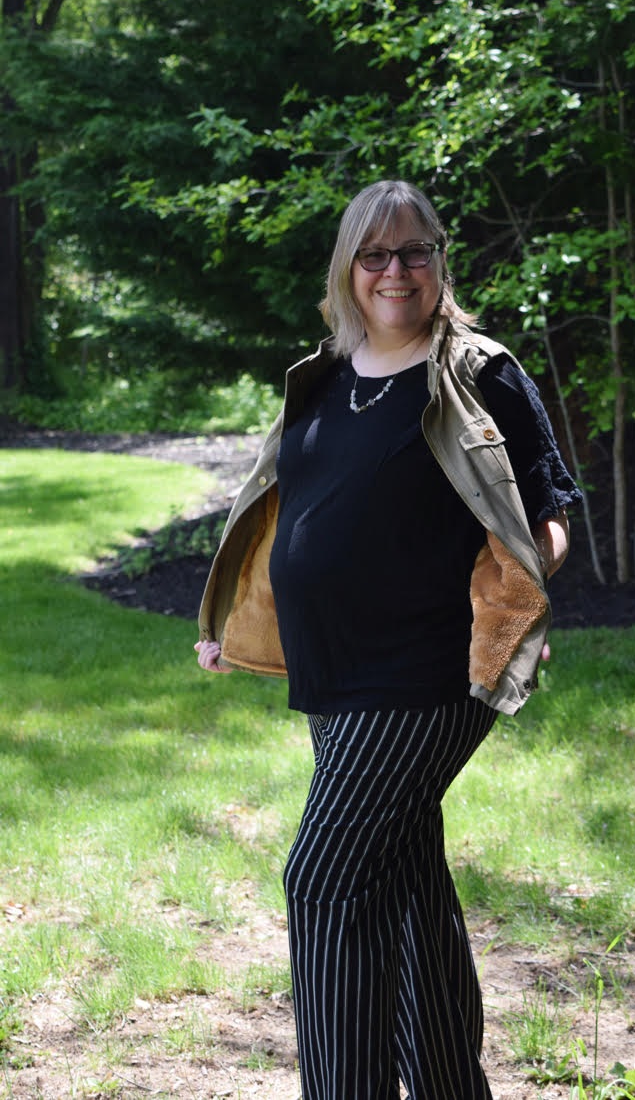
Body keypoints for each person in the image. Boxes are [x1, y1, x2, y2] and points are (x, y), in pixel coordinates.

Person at [195, 180, 582, 1100]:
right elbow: (284, 511)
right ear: (348, 269)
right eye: (376, 254)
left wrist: (519, 585)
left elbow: (553, 504)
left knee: (323, 880)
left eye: (416, 251)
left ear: (441, 261)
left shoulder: (479, 371)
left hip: (432, 667)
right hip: (335, 674)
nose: (397, 271)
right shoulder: (323, 376)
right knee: (403, 886)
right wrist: (229, 619)